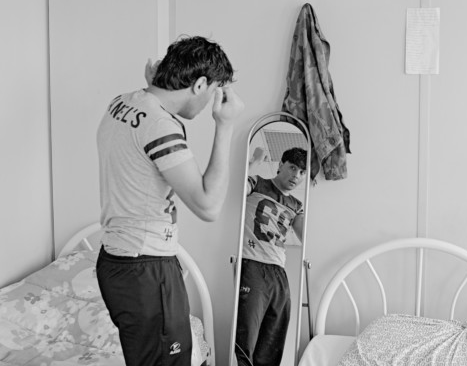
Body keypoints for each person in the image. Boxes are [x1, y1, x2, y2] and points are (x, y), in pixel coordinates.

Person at [95, 35, 244, 366]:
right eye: (212, 92)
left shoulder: (122, 103)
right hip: (146, 270)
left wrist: (155, 87)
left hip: (117, 263)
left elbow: (142, 129)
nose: (209, 104)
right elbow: (208, 206)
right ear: (200, 84)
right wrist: (226, 126)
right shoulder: (161, 126)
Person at [235, 146, 308, 366]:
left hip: (278, 271)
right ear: (280, 165)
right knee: (246, 335)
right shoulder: (257, 183)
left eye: (302, 172)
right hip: (253, 264)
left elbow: (307, 237)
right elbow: (235, 188)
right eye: (292, 168)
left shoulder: (296, 205)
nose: (296, 176)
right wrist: (255, 161)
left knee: (273, 339)